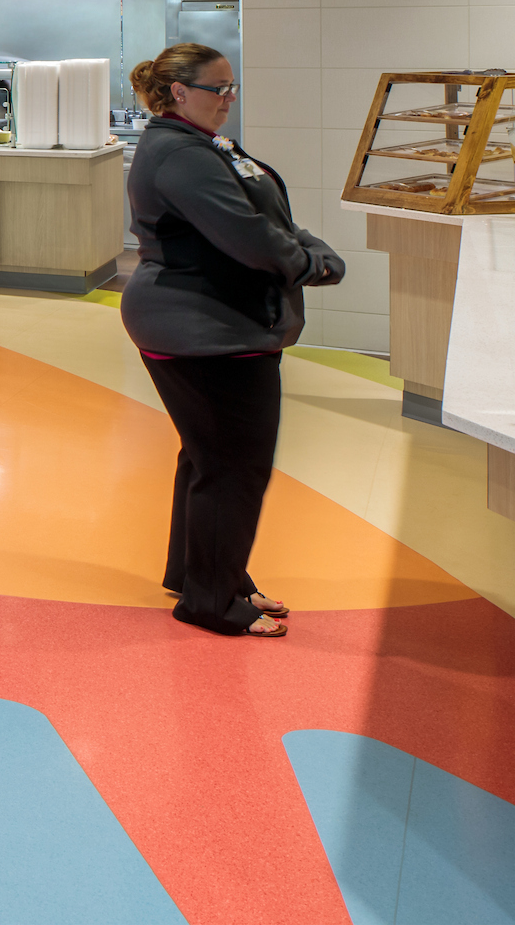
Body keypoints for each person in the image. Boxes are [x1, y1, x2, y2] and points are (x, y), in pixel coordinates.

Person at [122, 42, 343, 638]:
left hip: (211, 321)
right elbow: (248, 237)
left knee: (207, 456)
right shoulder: (178, 154)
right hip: (203, 327)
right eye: (218, 88)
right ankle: (211, 602)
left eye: (231, 87)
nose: (229, 98)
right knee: (233, 465)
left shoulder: (201, 144)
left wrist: (307, 247)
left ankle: (203, 576)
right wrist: (313, 266)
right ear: (179, 93)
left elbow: (267, 214)